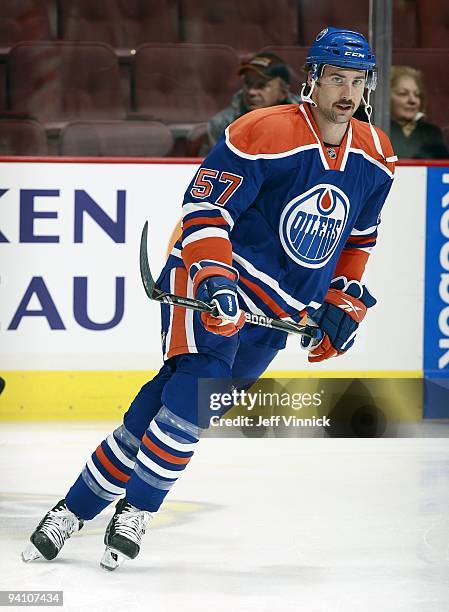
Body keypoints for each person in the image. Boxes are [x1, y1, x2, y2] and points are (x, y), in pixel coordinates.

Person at [22, 27, 397, 571]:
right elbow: (206, 212)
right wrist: (215, 278)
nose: (347, 91)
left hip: (281, 311)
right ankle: (137, 510)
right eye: (336, 77)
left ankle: (73, 509)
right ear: (313, 81)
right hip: (211, 280)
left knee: (169, 400)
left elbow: (358, 237)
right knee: (194, 398)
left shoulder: (378, 156)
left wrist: (344, 301)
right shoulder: (263, 130)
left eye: (357, 80)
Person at [206, 51, 301, 150]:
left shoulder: (306, 116)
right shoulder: (221, 124)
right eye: (248, 83)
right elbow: (208, 164)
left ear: (283, 92)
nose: (251, 92)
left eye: (261, 85)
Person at [390, 65, 449, 159]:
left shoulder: (432, 133)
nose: (413, 100)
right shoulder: (373, 128)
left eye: (417, 95)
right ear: (384, 96)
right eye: (403, 94)